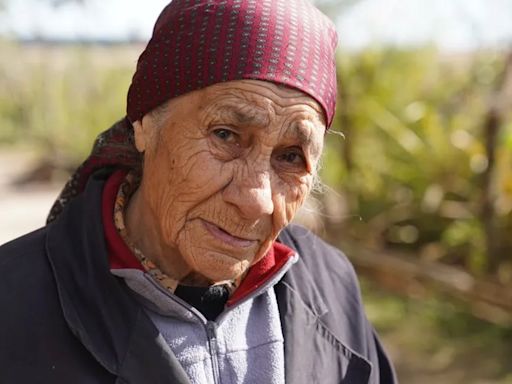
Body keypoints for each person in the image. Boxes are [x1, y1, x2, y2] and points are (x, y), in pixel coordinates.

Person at [0, 0, 397, 383]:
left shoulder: (331, 284)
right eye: (225, 135)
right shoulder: (14, 302)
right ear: (144, 124)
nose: (255, 199)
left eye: (291, 157)